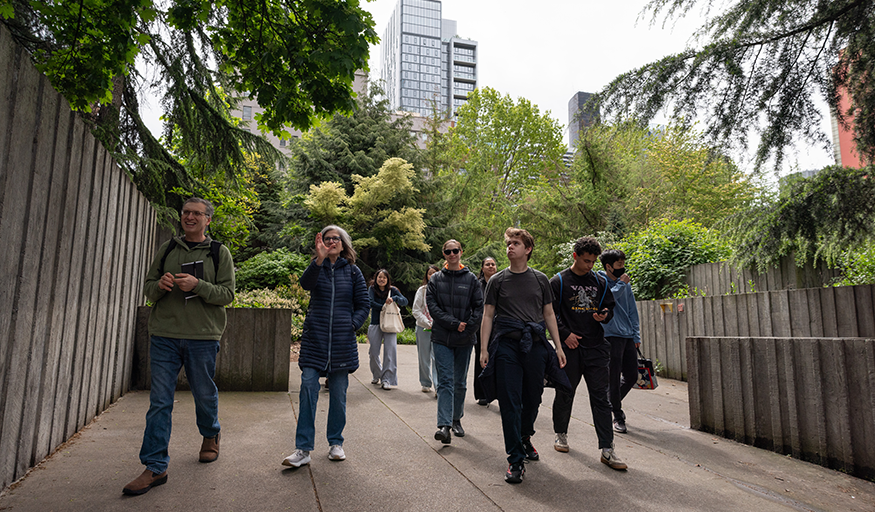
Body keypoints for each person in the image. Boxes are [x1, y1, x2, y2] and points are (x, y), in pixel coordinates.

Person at [124, 198, 235, 496]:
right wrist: (158, 287)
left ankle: (211, 434)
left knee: (203, 393)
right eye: (186, 212)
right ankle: (155, 466)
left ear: (207, 220)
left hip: (202, 336)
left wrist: (197, 286)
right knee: (160, 401)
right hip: (164, 335)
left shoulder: (218, 252)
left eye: (197, 213)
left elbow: (227, 294)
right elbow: (148, 287)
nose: (190, 217)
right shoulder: (168, 248)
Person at [479, 228, 568, 484]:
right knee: (510, 402)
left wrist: (558, 347)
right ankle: (515, 459)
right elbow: (488, 315)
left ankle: (525, 436)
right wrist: (485, 349)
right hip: (507, 345)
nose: (510, 247)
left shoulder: (540, 279)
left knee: (533, 399)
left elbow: (549, 314)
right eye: (508, 243)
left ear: (527, 249)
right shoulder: (497, 280)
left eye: (515, 243)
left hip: (536, 345)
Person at [282, 225, 369, 468]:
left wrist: (352, 324)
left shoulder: (353, 272)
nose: (332, 242)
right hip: (315, 341)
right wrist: (318, 260)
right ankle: (303, 449)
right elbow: (306, 285)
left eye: (336, 238)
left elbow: (363, 304)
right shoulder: (316, 267)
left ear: (343, 244)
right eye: (328, 238)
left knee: (338, 395)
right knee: (308, 390)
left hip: (342, 343)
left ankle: (335, 443)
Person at [550, 237, 627, 471]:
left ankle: (607, 448)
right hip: (571, 349)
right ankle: (560, 433)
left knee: (600, 398)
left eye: (593, 262)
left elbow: (609, 307)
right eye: (586, 261)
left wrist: (604, 315)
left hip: (596, 348)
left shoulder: (600, 282)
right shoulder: (559, 281)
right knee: (566, 392)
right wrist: (565, 334)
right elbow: (549, 313)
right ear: (575, 256)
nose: (589, 266)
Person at [426, 240, 484, 443]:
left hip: (465, 339)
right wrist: (453, 323)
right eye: (448, 251)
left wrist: (467, 328)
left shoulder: (471, 280)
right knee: (445, 382)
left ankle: (456, 418)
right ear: (444, 254)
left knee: (459, 383)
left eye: (455, 250)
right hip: (442, 337)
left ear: (461, 252)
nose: (452, 254)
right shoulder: (435, 280)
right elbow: (432, 307)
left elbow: (479, 307)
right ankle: (444, 425)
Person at [598, 249, 641, 434]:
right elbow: (607, 301)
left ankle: (608, 403)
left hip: (627, 336)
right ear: (608, 266)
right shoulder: (600, 281)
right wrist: (621, 284)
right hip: (610, 335)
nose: (623, 268)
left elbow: (632, 310)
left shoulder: (626, 284)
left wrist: (636, 335)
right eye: (619, 264)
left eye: (623, 263)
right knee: (613, 378)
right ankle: (618, 415)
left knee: (631, 375)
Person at [368, 269, 408, 390]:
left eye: (384, 278)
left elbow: (405, 301)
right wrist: (384, 307)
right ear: (376, 279)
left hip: (390, 324)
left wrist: (394, 298)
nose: (381, 279)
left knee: (390, 352)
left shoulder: (393, 290)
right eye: (379, 277)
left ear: (387, 280)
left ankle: (387, 379)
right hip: (375, 323)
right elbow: (370, 302)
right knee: (373, 353)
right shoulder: (372, 289)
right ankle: (377, 374)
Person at [412, 265, 440, 394]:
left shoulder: (442, 290)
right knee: (424, 357)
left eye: (435, 273)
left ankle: (438, 386)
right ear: (426, 276)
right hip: (423, 327)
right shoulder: (422, 290)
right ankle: (425, 382)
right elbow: (416, 310)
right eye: (430, 273)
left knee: (437, 358)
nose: (432, 275)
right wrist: (427, 322)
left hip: (438, 328)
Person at [474, 257, 498, 406]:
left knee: (498, 361)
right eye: (487, 264)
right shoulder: (477, 285)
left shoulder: (501, 282)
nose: (491, 266)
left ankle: (497, 393)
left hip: (498, 327)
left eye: (493, 264)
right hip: (480, 327)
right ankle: (482, 394)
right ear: (482, 268)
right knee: (481, 360)